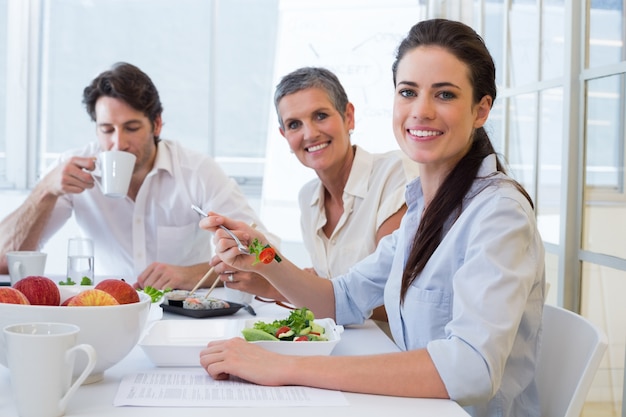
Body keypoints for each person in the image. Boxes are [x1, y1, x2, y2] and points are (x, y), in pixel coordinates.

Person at [198, 18, 545, 417]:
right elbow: (341, 300)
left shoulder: (498, 213)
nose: (421, 111)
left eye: (445, 94)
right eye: (408, 92)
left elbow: (471, 370)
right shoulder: (423, 208)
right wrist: (261, 256)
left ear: (481, 110)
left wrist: (288, 367)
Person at [0, 62, 274, 291]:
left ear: (156, 124)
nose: (118, 143)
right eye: (107, 130)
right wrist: (45, 191)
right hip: (104, 308)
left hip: (180, 312)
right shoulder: (74, 169)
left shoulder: (196, 172)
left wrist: (194, 274)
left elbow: (266, 251)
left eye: (131, 128)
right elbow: (4, 261)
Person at [222, 66, 418, 325]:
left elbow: (390, 296)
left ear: (349, 117)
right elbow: (329, 281)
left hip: (391, 349)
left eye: (321, 115)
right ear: (285, 136)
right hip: (342, 344)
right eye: (294, 124)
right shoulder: (309, 199)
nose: (310, 133)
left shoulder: (396, 174)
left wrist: (275, 283)